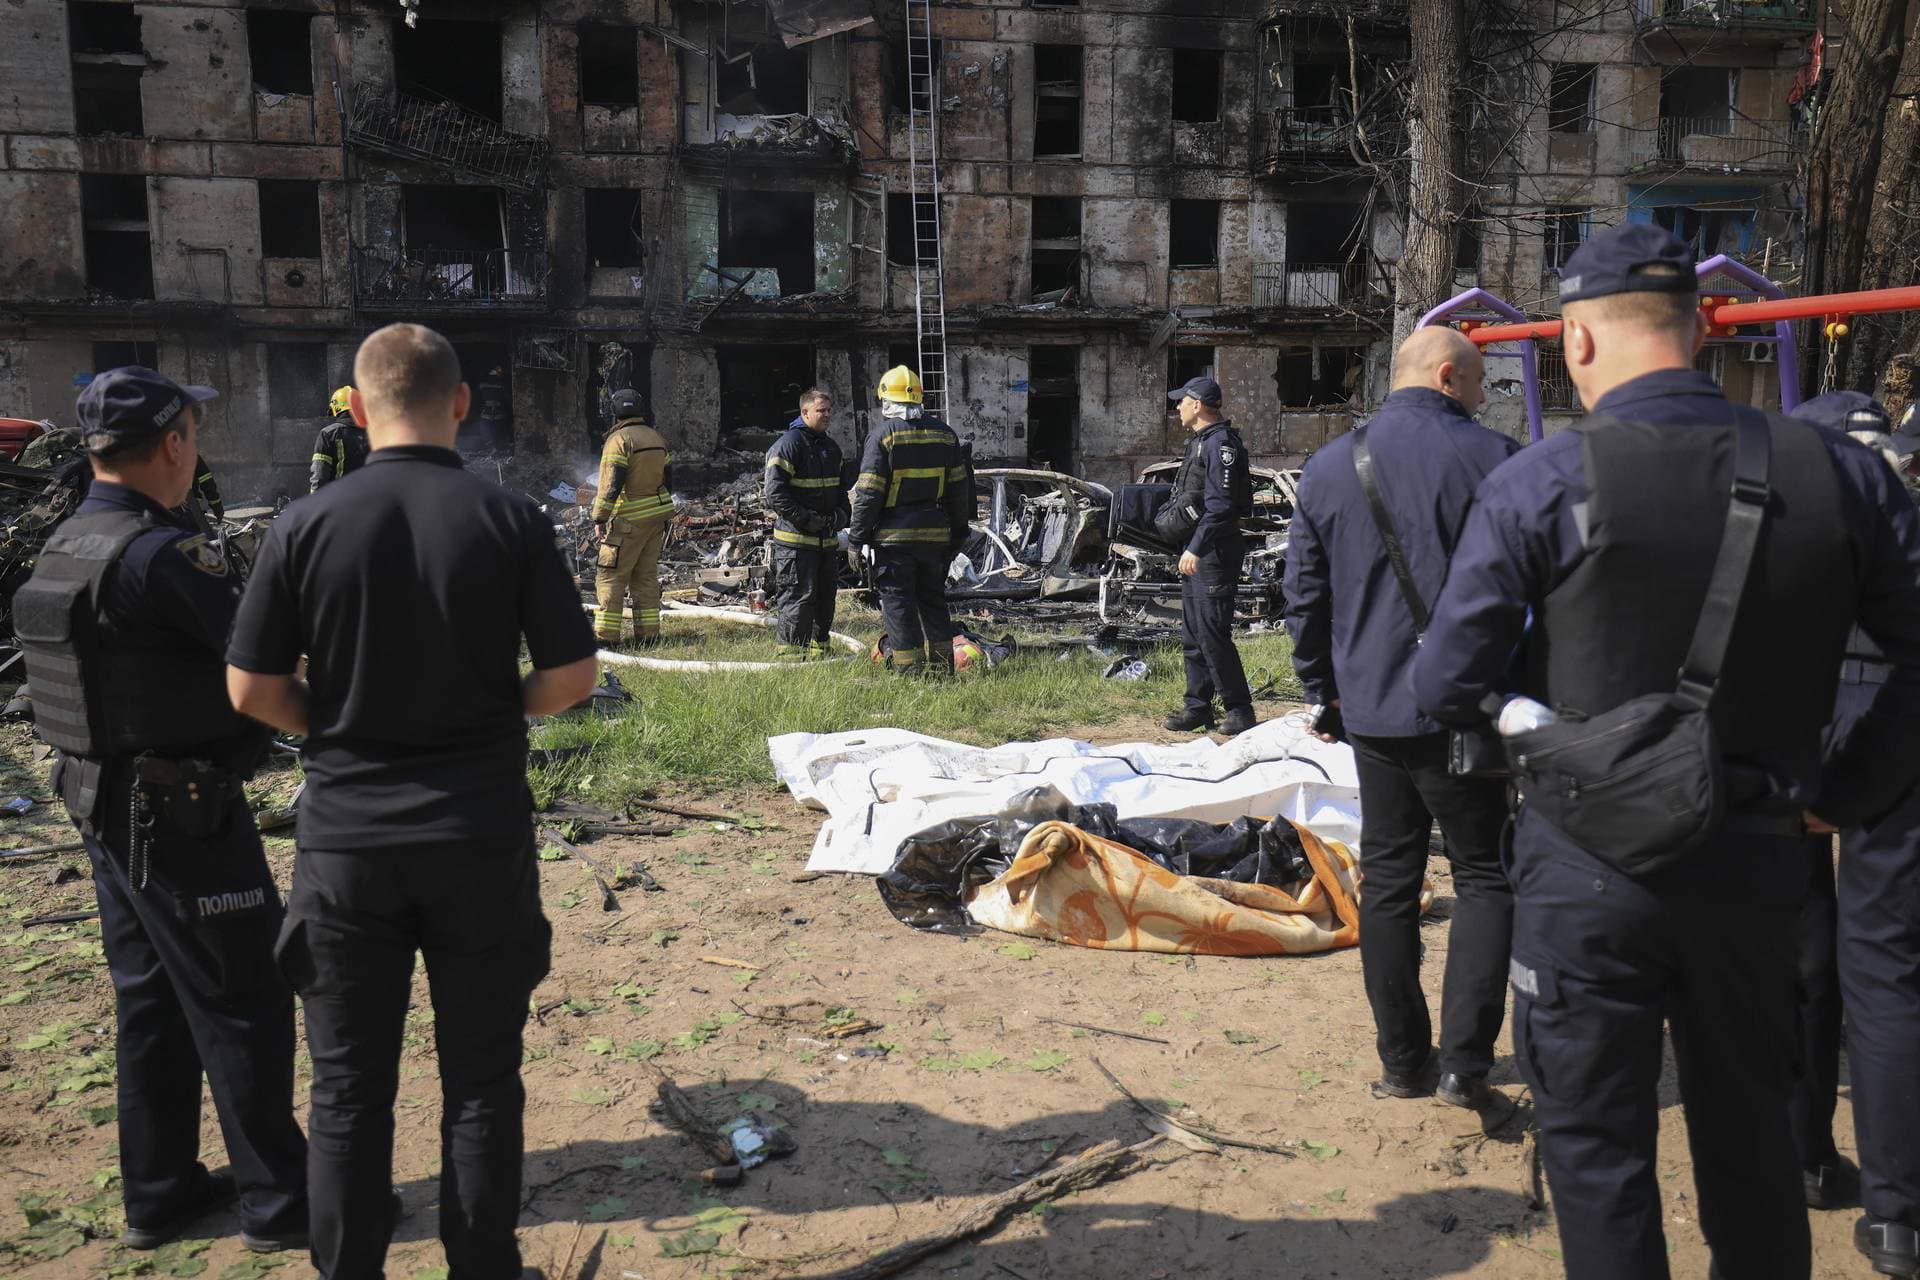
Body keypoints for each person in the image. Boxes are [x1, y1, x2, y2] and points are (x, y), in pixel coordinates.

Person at [1408, 223, 1920, 1279]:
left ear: (1578, 346)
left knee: (1597, 1151)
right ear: (1698, 330)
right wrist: (1853, 788)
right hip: (1762, 861)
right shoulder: (1834, 474)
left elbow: (1444, 683)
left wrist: (1538, 724)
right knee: (1757, 1144)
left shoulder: (1543, 480)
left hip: (1586, 865)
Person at [226, 324, 598, 1280]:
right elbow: (573, 674)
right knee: (481, 1081)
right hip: (478, 833)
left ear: (354, 407)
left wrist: (331, 727)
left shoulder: (301, 526)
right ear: (462, 403)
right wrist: (498, 712)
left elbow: (251, 690)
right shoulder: (510, 519)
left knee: (348, 1091)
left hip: (347, 844)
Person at [12, 367, 307, 1253]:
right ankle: (283, 1203)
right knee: (244, 997)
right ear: (174, 443)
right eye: (195, 434)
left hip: (100, 803)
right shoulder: (161, 555)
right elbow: (263, 655)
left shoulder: (67, 540)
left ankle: (159, 1191)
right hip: (181, 815)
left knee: (153, 1000)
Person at [1282, 326, 1518, 1109]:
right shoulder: (1496, 461)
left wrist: (1322, 689)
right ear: (1449, 376)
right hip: (1470, 711)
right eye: (1481, 383)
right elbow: (1533, 595)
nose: (1485, 400)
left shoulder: (1327, 466)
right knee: (1484, 876)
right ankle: (1465, 1066)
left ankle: (1402, 1064)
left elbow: (1304, 597)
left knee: (1388, 879)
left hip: (1372, 707)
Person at [1791, 390, 1920, 1275]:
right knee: (1883, 972)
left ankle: (1807, 1155)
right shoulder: (1903, 520)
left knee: (1814, 960)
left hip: (1803, 735)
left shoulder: (1784, 524)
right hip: (1888, 741)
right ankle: (1896, 1213)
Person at [848, 366, 971, 674]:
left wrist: (857, 538)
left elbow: (869, 493)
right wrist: (958, 532)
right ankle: (943, 671)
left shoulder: (883, 436)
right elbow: (960, 490)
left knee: (899, 603)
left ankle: (910, 673)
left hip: (894, 539)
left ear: (886, 401)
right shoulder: (945, 434)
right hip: (935, 536)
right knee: (933, 601)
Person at [1160, 375, 1257, 736]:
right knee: (1194, 633)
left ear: (1197, 404)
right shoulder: (1200, 443)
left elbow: (1221, 508)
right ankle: (1197, 707)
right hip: (1200, 552)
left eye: (1181, 401)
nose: (1177, 407)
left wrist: (1195, 549)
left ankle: (1240, 709)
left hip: (1213, 552)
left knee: (1213, 633)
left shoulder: (1220, 446)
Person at [764, 387, 848, 659]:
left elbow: (842, 493)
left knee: (825, 600)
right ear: (805, 412)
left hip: (826, 543)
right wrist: (807, 520)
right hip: (796, 543)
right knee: (798, 598)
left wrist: (839, 517)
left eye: (829, 410)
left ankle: (819, 650)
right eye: (821, 410)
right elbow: (775, 493)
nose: (827, 415)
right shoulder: (788, 445)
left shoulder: (830, 448)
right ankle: (790, 657)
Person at [590, 389, 673, 648]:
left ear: (614, 412)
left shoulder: (618, 440)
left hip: (627, 520)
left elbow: (611, 485)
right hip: (655, 518)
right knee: (645, 576)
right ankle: (648, 636)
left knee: (610, 576)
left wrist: (599, 518)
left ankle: (606, 638)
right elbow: (667, 479)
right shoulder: (656, 438)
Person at [309, 386, 369, 492]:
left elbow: (320, 475)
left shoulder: (328, 434)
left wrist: (315, 505)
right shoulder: (374, 433)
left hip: (339, 501)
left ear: (336, 408)